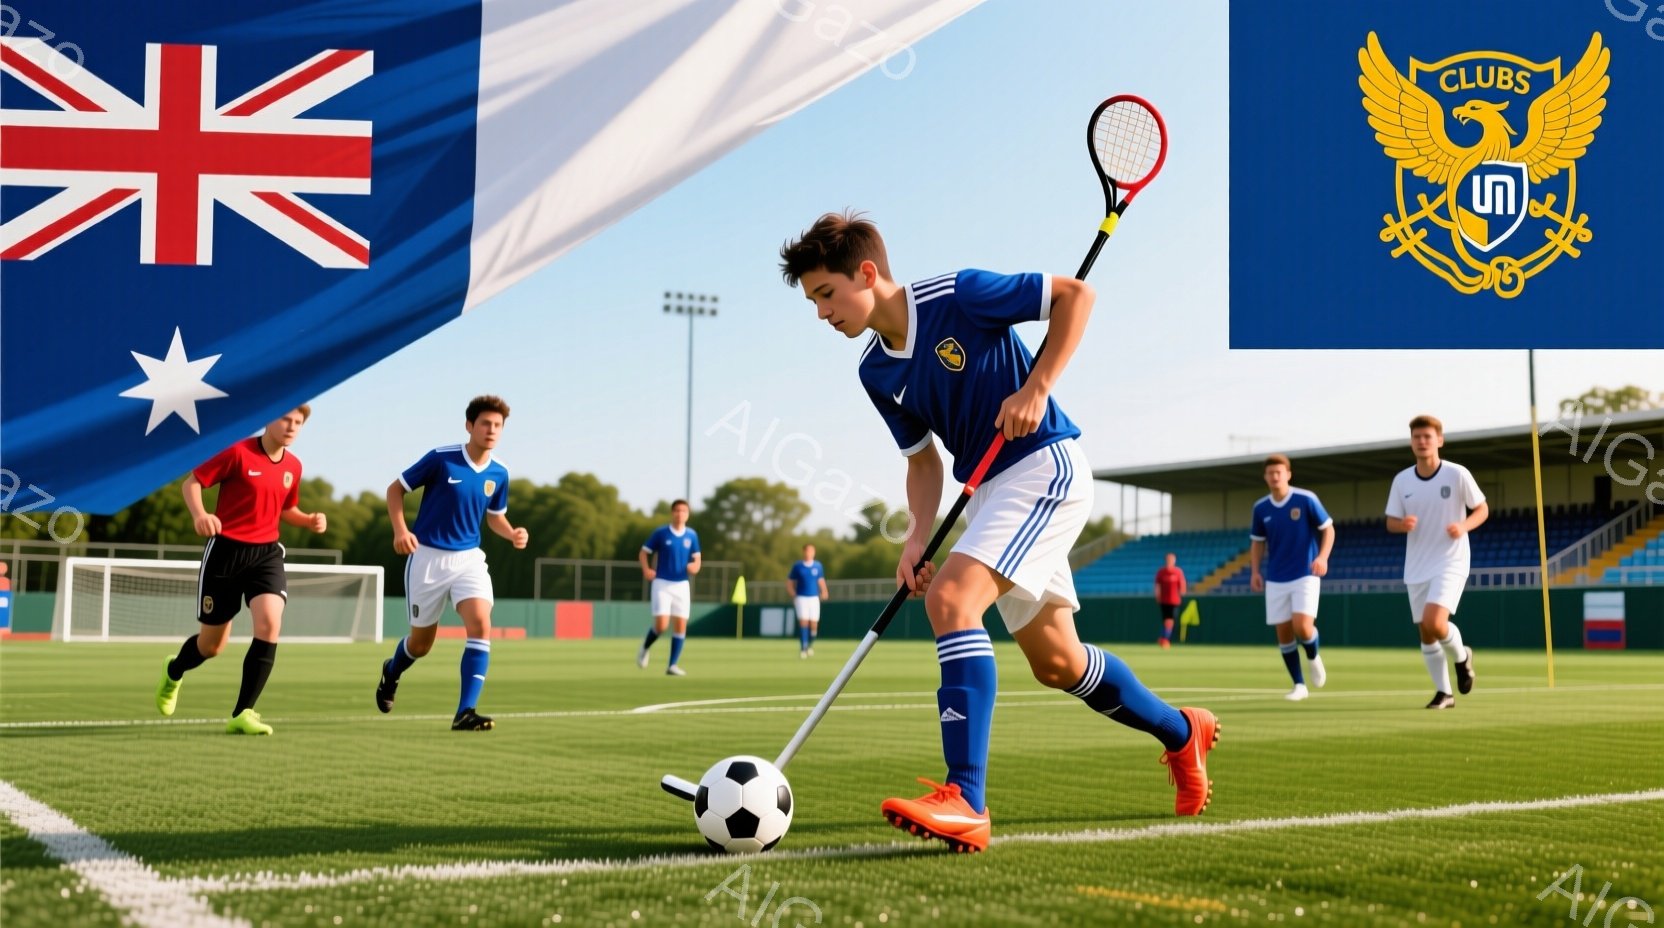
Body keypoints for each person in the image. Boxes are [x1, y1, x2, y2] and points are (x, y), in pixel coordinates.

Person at [779, 211, 1219, 853]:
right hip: (991, 493)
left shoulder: (957, 294)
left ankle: (967, 798)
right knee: (1058, 663)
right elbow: (924, 462)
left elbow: (1076, 294)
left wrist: (1037, 387)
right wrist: (914, 540)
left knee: (951, 601)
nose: (822, 314)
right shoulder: (875, 371)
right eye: (814, 301)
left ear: (866, 274)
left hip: (1044, 466)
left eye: (826, 294)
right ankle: (1182, 732)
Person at [155, 406, 327, 734]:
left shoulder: (293, 466)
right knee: (212, 647)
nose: (291, 427)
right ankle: (174, 670)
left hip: (266, 555)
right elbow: (192, 484)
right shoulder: (237, 452)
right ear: (268, 419)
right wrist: (200, 515)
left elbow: (286, 508)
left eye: (298, 423)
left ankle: (243, 712)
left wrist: (307, 520)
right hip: (225, 553)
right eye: (285, 419)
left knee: (270, 623)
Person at [374, 396, 528, 731]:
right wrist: (401, 531)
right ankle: (391, 671)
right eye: (485, 423)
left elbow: (495, 517)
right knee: (420, 645)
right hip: (427, 558)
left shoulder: (500, 472)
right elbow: (394, 490)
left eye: (498, 425)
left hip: (469, 560)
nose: (491, 430)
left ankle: (465, 712)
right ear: (469, 426)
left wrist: (512, 532)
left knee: (480, 624)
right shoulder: (441, 459)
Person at [1386, 415, 1486, 709]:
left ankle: (1462, 656)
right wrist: (1401, 524)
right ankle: (1445, 693)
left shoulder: (1457, 474)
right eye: (1417, 437)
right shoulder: (1402, 480)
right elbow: (1390, 521)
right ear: (1411, 442)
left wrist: (1464, 526)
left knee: (1435, 621)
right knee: (1426, 632)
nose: (1422, 441)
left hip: (1450, 561)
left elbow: (1481, 508)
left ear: (1439, 440)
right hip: (1416, 565)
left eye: (1427, 436)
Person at [1249, 454, 1335, 701]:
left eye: (1279, 472)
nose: (1275, 477)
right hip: (1276, 577)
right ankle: (1299, 685)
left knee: (1303, 626)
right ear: (1265, 477)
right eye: (1270, 473)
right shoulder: (1260, 507)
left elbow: (1328, 529)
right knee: (1284, 633)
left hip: (1305, 574)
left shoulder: (1306, 499)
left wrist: (1323, 557)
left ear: (1288, 474)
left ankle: (1313, 655)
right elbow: (1257, 542)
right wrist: (1255, 571)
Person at [636, 500, 701, 675]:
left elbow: (697, 559)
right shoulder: (661, 533)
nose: (680, 514)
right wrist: (646, 569)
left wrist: (695, 567)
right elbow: (643, 553)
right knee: (662, 626)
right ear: (672, 513)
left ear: (688, 514)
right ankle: (645, 647)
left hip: (682, 585)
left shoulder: (692, 535)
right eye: (677, 510)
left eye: (684, 511)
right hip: (662, 583)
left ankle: (672, 665)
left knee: (680, 625)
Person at [788, 543, 830, 657]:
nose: (809, 553)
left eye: (812, 551)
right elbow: (790, 582)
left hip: (814, 598)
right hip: (801, 597)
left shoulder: (818, 566)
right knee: (803, 622)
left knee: (814, 624)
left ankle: (810, 644)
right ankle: (803, 648)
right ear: (804, 552)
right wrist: (793, 593)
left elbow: (820, 580)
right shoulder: (797, 566)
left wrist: (824, 591)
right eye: (807, 551)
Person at [1153, 553, 1185, 649]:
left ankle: (1164, 639)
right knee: (1166, 620)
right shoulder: (1161, 572)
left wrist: (1181, 592)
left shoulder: (1178, 572)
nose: (1170, 561)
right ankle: (1164, 639)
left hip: (1174, 601)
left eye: (1172, 560)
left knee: (1170, 620)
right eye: (1168, 559)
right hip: (1164, 600)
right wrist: (1157, 595)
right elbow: (1157, 585)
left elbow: (1182, 584)